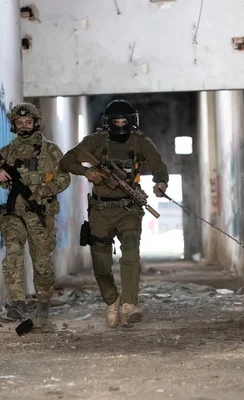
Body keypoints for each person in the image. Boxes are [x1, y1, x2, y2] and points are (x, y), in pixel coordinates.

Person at [59, 99, 168, 327]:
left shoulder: (139, 142)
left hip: (129, 209)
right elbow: (67, 160)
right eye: (116, 121)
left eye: (124, 121)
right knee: (101, 264)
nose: (120, 125)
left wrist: (161, 182)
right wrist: (86, 172)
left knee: (130, 254)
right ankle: (112, 300)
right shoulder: (95, 141)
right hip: (100, 211)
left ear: (131, 122)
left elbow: (156, 162)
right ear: (108, 122)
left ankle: (129, 305)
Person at [0, 102, 71, 329]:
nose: (24, 126)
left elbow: (65, 179)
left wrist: (41, 191)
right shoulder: (7, 152)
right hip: (14, 214)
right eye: (20, 123)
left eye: (28, 122)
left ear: (35, 123)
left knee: (42, 261)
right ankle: (17, 302)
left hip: (40, 213)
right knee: (12, 250)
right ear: (14, 125)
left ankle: (43, 301)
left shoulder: (50, 151)